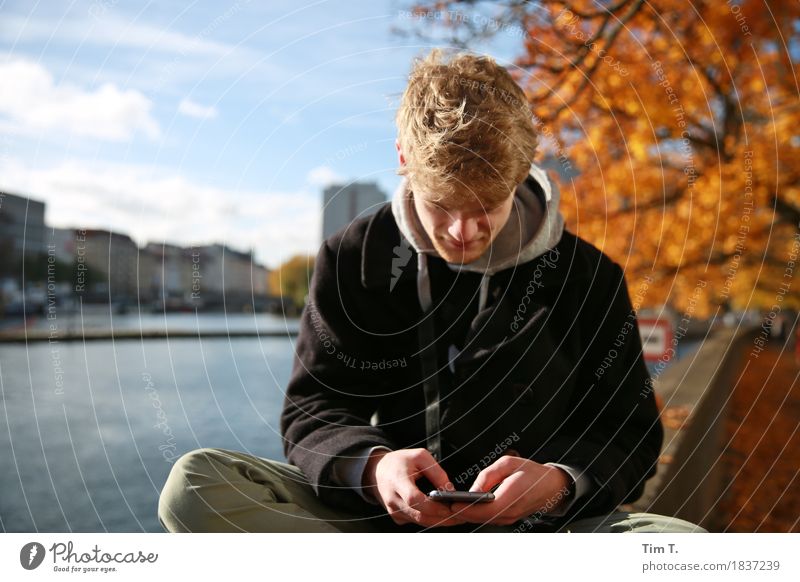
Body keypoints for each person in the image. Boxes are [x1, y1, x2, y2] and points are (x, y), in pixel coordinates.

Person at [157, 49, 705, 533]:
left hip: (542, 534)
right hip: (384, 524)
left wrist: (560, 483)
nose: (461, 233)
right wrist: (372, 469)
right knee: (195, 484)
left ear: (519, 176)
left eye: (485, 208)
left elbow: (631, 433)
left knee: (687, 550)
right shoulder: (353, 257)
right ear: (403, 160)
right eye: (441, 205)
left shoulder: (591, 276)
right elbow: (314, 409)